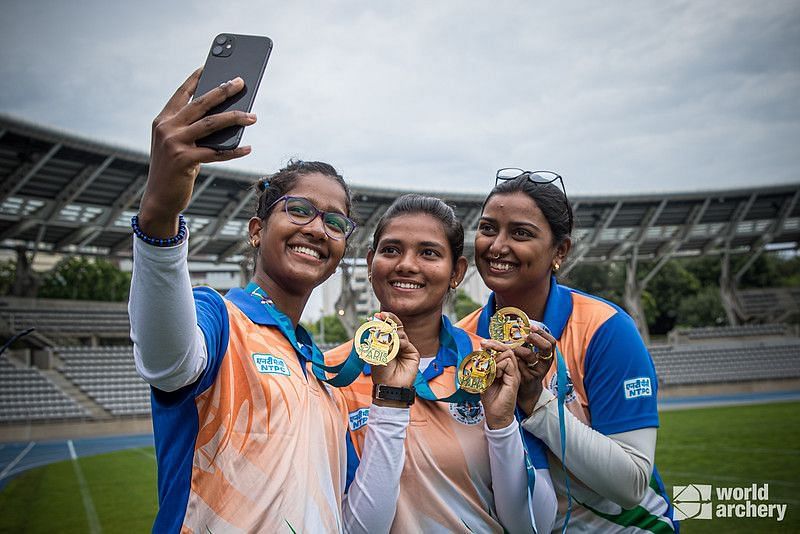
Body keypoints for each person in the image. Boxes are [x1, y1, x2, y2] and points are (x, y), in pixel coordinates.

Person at [129, 70, 417, 532]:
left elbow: (361, 525)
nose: (318, 229)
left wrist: (392, 399)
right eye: (299, 210)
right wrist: (160, 215)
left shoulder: (323, 377)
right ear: (257, 229)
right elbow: (166, 360)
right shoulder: (218, 318)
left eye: (336, 223)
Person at [458, 170, 677, 532]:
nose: (497, 245)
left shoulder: (604, 328)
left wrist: (536, 402)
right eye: (487, 228)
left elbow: (631, 485)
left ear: (560, 251)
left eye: (521, 233)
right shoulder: (462, 340)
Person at [326, 194, 558, 533]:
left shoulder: (498, 366)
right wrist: (389, 398)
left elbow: (532, 524)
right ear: (370, 262)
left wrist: (502, 423)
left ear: (457, 272)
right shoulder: (331, 374)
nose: (406, 264)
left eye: (429, 253)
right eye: (391, 250)